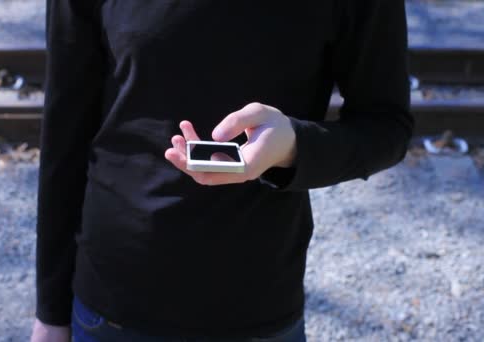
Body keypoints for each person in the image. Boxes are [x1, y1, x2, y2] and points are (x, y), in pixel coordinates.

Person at [30, 0, 413, 341]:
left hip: (257, 302)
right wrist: (50, 310)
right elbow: (65, 133)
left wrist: (295, 147)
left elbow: (386, 127)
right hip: (110, 306)